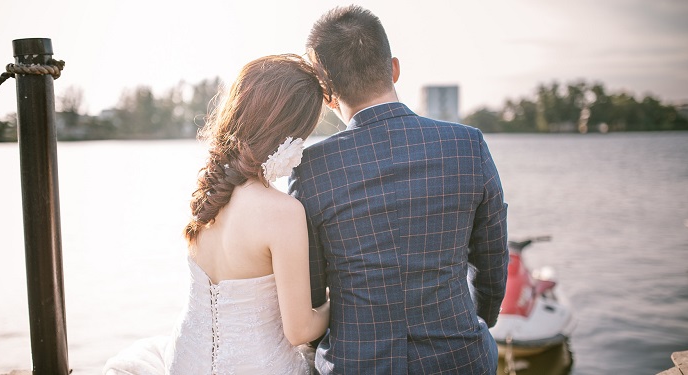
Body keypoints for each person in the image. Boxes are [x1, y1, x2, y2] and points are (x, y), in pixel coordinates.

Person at [288, 5, 509, 374]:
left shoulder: (311, 168)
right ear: (394, 68)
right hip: (460, 359)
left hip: (355, 365)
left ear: (327, 94)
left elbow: (312, 291)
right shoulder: (468, 145)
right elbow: (492, 263)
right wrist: (473, 322)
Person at [103, 54, 330, 374]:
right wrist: (333, 304)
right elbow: (300, 330)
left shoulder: (209, 192)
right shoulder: (283, 212)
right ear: (290, 135)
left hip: (185, 361)